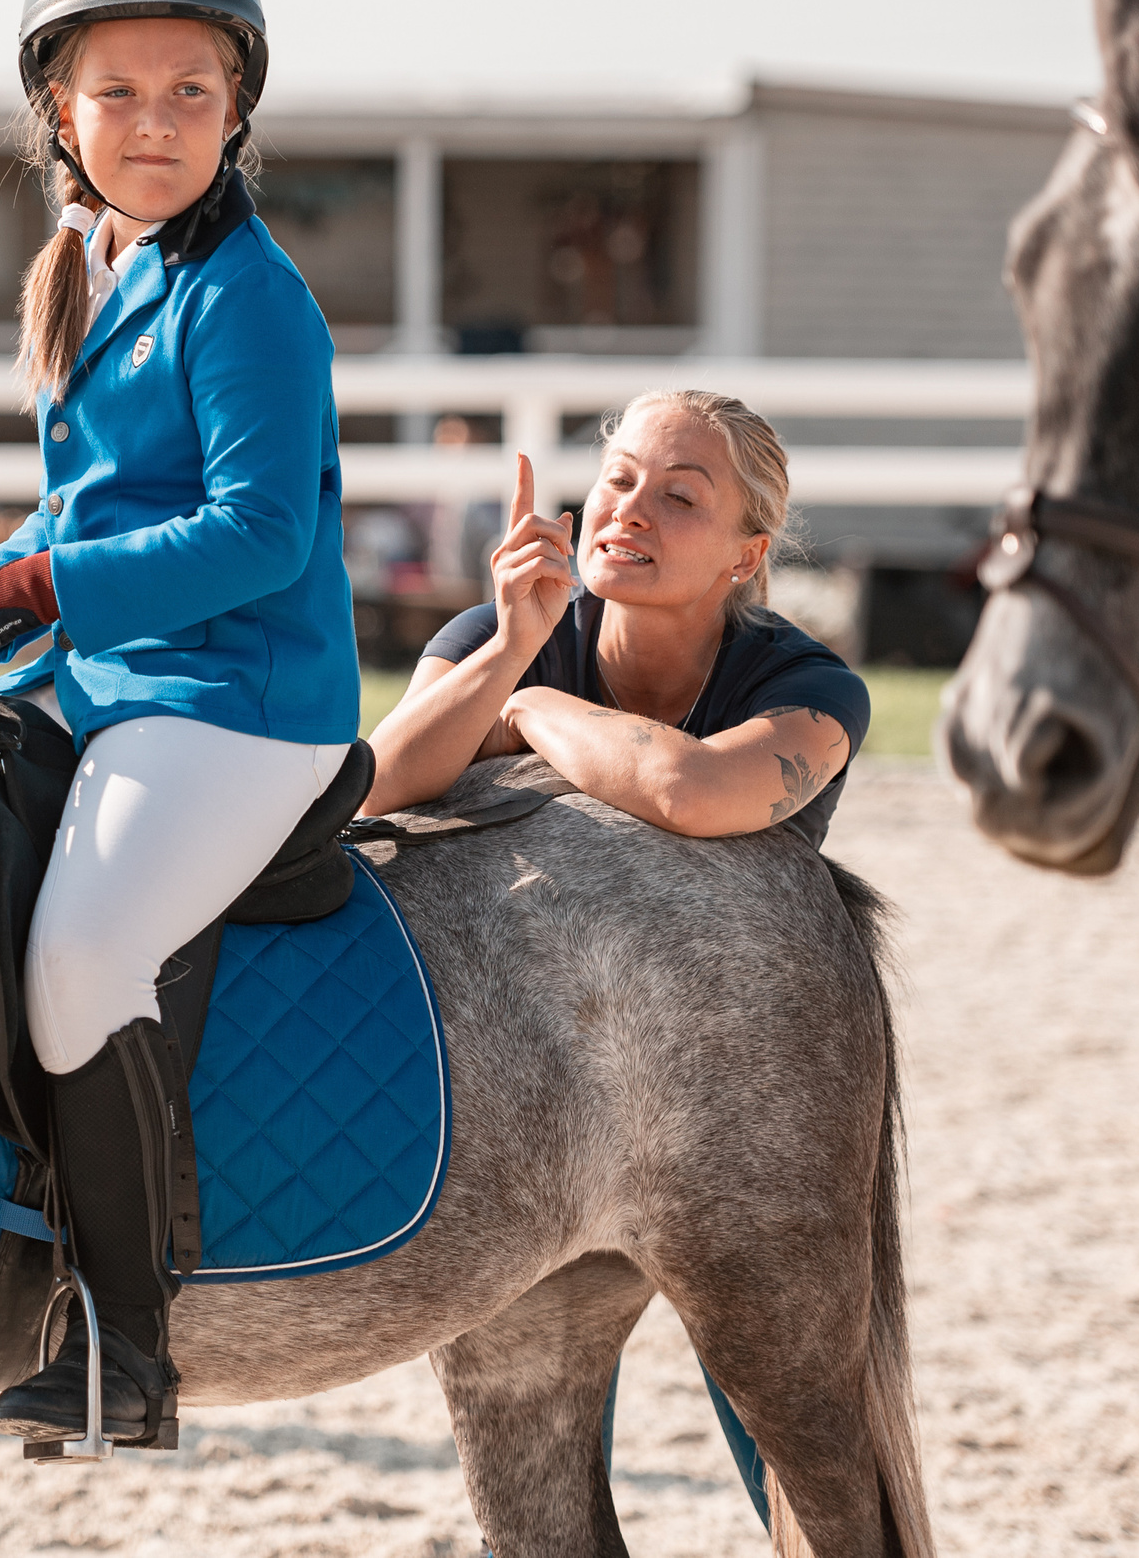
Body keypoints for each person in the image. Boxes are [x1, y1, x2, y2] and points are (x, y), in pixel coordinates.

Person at [0, 0, 357, 1446]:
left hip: (240, 701)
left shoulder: (248, 297)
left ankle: (125, 1345)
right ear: (61, 111)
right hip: (116, 673)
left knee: (85, 953)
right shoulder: (98, 266)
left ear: (236, 110)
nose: (156, 123)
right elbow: (84, 513)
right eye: (122, 94)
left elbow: (259, 534)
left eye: (190, 94)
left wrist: (36, 587)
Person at [364, 387, 872, 1526]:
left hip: (736, 1087)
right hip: (541, 1069)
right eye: (619, 479)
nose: (630, 510)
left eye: (680, 497)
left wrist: (530, 704)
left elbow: (692, 790)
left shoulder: (809, 686)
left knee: (782, 1417)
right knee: (533, 1431)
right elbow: (376, 782)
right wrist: (507, 645)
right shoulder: (502, 629)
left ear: (747, 554)